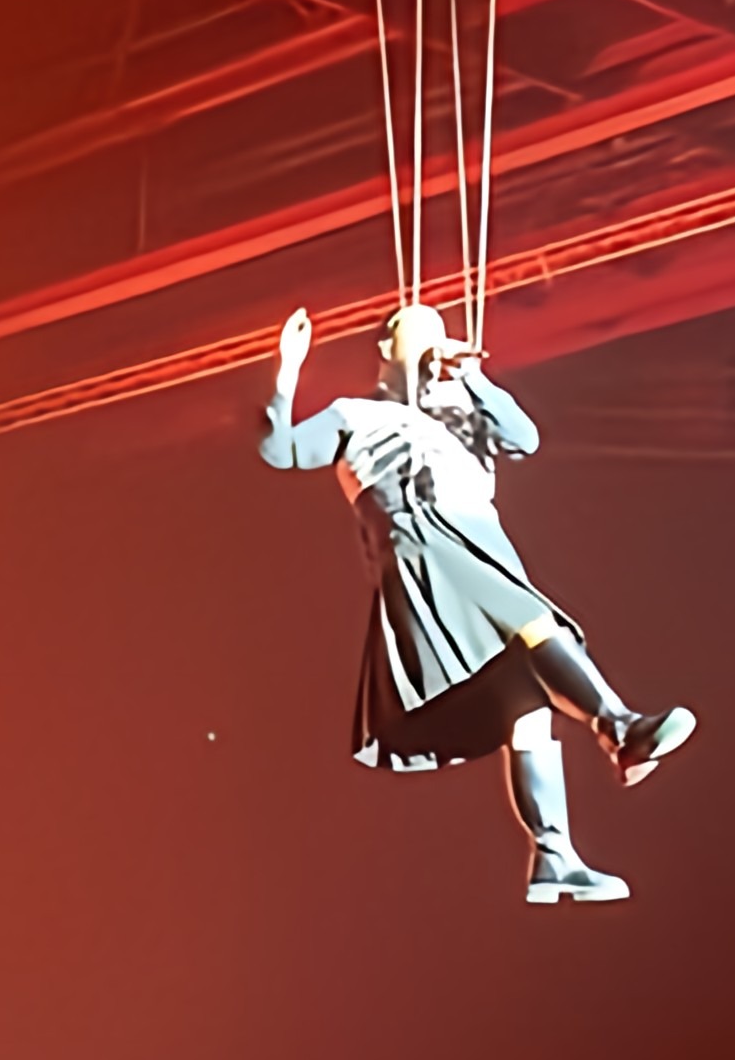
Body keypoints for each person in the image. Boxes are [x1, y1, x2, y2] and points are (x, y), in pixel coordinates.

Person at [261, 301, 695, 904]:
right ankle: (616, 726)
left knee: (527, 705)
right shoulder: (354, 415)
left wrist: (471, 377)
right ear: (386, 348)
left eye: (441, 334)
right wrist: (288, 371)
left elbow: (524, 439)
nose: (433, 342)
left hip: (484, 543)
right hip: (422, 539)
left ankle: (555, 856)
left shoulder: (460, 410)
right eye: (419, 331)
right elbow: (280, 450)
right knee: (537, 626)